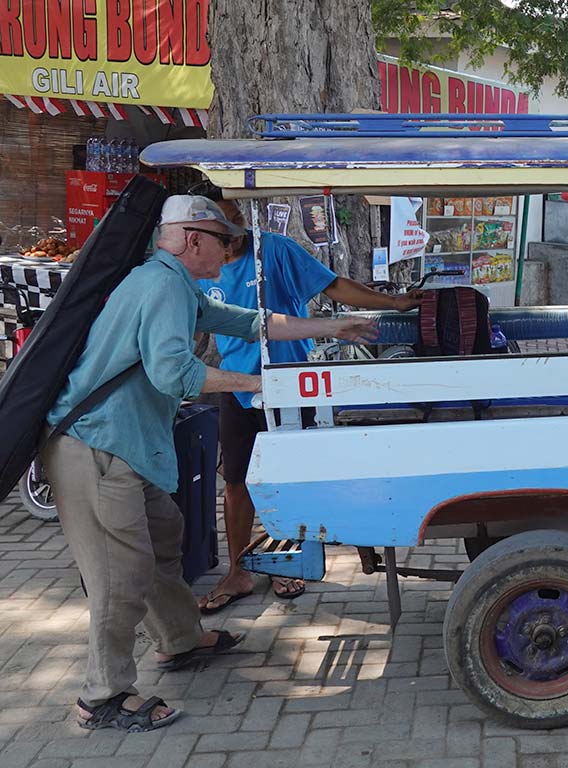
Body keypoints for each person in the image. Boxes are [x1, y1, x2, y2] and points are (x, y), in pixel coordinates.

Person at [42, 195, 376, 733]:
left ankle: (180, 640)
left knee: (164, 539)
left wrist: (332, 329)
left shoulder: (178, 284)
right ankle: (101, 696)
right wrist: (257, 384)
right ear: (193, 239)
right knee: (119, 576)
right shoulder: (161, 285)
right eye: (225, 241)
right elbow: (173, 372)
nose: (231, 251)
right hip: (95, 448)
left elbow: (250, 323)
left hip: (125, 447)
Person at [195, 193, 422, 614]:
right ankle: (238, 569)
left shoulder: (274, 250)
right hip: (239, 386)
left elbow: (332, 285)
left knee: (288, 477)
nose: (231, 238)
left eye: (234, 225)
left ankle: (287, 561)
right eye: (221, 231)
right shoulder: (201, 268)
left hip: (291, 383)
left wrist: (391, 303)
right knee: (237, 482)